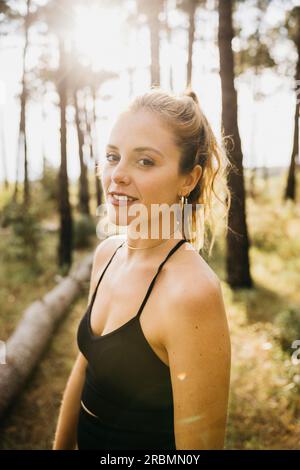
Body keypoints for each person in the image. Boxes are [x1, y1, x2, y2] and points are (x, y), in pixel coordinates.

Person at [52, 87, 232, 450]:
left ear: (189, 179)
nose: (117, 174)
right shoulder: (106, 256)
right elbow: (87, 364)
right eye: (112, 156)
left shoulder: (191, 293)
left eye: (145, 161)